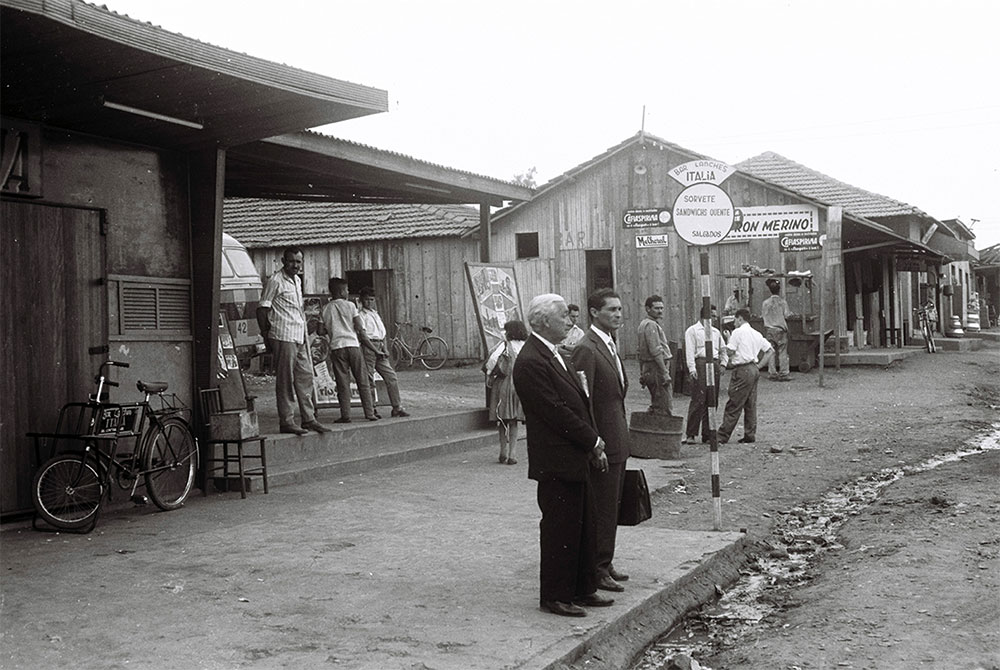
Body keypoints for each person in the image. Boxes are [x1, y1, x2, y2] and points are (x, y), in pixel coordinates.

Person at [512, 293, 613, 617]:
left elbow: (577, 401)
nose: (570, 320)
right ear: (543, 321)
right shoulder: (530, 360)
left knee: (583, 525)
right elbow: (555, 412)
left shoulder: (555, 353)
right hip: (556, 459)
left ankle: (582, 588)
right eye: (563, 317)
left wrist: (589, 441)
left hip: (574, 456)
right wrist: (593, 441)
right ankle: (555, 595)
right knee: (560, 529)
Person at [570, 288, 631, 593]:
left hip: (618, 438)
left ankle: (605, 561)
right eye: (611, 310)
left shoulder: (609, 344)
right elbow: (584, 402)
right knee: (602, 508)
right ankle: (595, 568)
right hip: (604, 443)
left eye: (620, 309)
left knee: (612, 506)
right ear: (594, 313)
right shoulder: (586, 348)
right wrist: (595, 444)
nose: (618, 315)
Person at [256, 247, 330, 435]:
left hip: (299, 336)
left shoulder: (297, 281)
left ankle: (308, 418)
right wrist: (266, 334)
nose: (295, 265)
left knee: (305, 377)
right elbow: (263, 309)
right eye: (291, 261)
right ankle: (286, 421)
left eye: (298, 262)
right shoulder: (275, 281)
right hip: (283, 335)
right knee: (285, 380)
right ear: (283, 261)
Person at [321, 278, 377, 423]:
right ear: (341, 291)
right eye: (346, 290)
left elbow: (321, 331)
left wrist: (331, 329)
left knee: (342, 383)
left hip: (337, 347)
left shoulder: (325, 308)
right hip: (353, 345)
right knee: (362, 380)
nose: (347, 292)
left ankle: (345, 415)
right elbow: (359, 326)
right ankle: (369, 413)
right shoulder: (351, 306)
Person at [718, 308, 773, 445]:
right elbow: (770, 351)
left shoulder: (737, 332)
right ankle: (750, 434)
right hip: (753, 368)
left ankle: (722, 436)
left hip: (742, 369)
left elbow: (730, 352)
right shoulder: (756, 333)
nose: (734, 323)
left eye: (735, 320)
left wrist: (727, 339)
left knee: (734, 403)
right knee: (750, 403)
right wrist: (759, 366)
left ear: (740, 318)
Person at [357, 287, 410, 418]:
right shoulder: (360, 315)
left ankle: (397, 407)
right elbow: (363, 336)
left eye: (371, 299)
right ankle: (372, 409)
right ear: (361, 301)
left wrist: (385, 348)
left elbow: (382, 333)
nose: (369, 302)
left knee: (391, 376)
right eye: (366, 300)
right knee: (369, 379)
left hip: (380, 345)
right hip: (369, 346)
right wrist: (375, 349)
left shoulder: (375, 314)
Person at [682, 305, 729, 445]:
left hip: (714, 364)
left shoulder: (716, 332)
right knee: (698, 399)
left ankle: (708, 434)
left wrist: (723, 364)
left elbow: (723, 350)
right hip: (700, 364)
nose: (715, 319)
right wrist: (692, 369)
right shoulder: (692, 331)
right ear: (705, 316)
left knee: (712, 399)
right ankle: (691, 434)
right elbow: (689, 352)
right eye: (713, 316)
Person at [483, 320, 527, 465]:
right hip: (519, 385)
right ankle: (512, 454)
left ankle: (502, 451)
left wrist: (489, 373)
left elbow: (492, 360)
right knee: (514, 420)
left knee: (502, 420)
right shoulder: (526, 346)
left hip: (503, 384)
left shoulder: (504, 345)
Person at [636, 294, 674, 416]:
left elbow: (640, 352)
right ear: (648, 309)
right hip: (656, 369)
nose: (660, 311)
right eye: (656, 308)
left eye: (662, 308)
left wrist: (642, 372)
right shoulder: (651, 325)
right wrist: (665, 372)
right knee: (664, 406)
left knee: (657, 403)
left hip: (649, 368)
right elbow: (656, 351)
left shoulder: (644, 324)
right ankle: (662, 434)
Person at [761, 279, 791, 381]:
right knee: (782, 351)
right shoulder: (783, 302)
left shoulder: (765, 303)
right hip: (780, 330)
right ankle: (784, 373)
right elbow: (787, 315)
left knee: (771, 351)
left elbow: (763, 316)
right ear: (779, 290)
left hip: (769, 330)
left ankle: (772, 373)